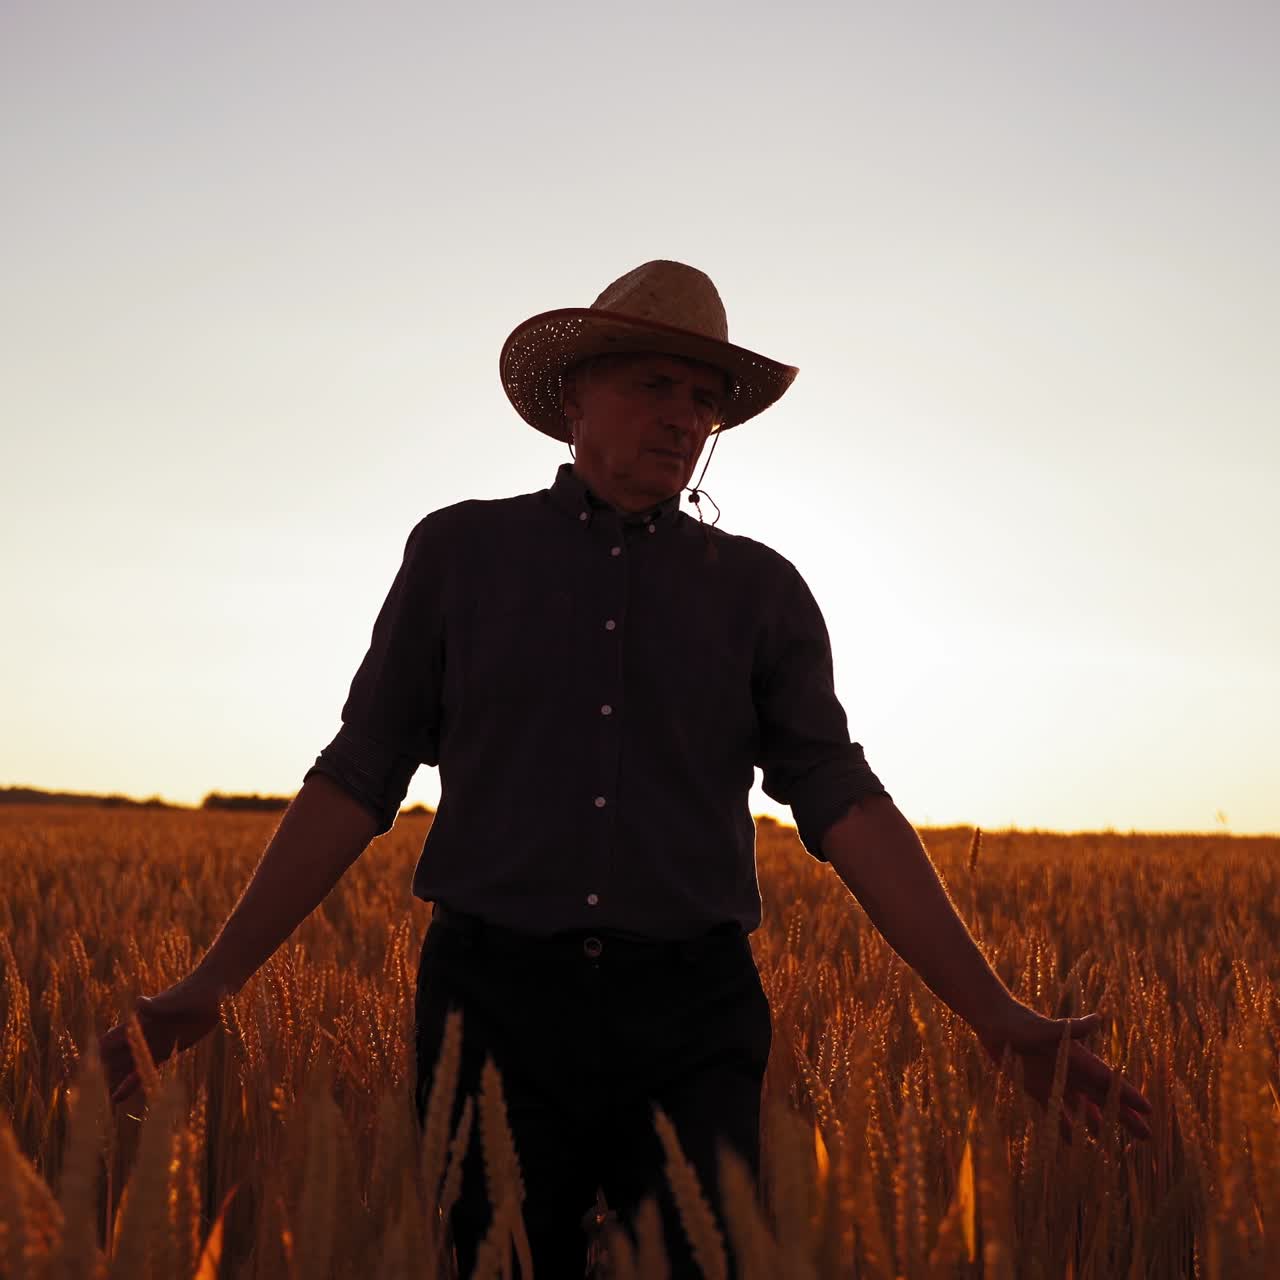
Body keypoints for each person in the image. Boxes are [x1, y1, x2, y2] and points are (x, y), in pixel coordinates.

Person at [101, 260, 1153, 1277]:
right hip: (491, 1004)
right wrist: (215, 977)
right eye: (653, 383)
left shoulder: (760, 592)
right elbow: (357, 775)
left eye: (703, 398)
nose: (683, 416)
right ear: (571, 396)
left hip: (691, 1014)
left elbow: (841, 799)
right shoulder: (459, 555)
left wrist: (991, 1009)